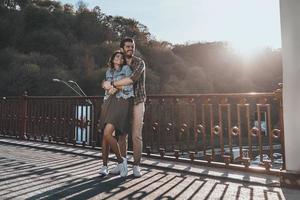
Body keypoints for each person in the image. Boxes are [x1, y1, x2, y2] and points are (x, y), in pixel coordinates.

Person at [102, 38, 146, 177]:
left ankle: (137, 166)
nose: (130, 49)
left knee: (136, 135)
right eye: (127, 46)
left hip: (137, 101)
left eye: (132, 46)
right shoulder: (119, 63)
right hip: (122, 103)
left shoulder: (139, 62)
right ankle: (122, 165)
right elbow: (107, 78)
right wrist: (105, 84)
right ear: (122, 48)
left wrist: (113, 84)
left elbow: (132, 79)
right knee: (121, 135)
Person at [98, 51, 134, 177]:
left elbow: (129, 86)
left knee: (108, 132)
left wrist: (116, 87)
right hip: (108, 102)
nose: (119, 58)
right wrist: (107, 87)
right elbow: (107, 89)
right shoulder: (109, 72)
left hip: (121, 101)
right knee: (105, 135)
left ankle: (121, 161)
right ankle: (104, 166)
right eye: (117, 56)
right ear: (112, 59)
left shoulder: (126, 69)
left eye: (121, 57)